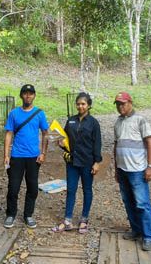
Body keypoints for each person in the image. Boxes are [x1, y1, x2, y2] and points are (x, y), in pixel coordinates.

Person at [51, 92, 102, 234]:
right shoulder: (71, 121)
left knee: (87, 190)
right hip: (72, 162)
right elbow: (65, 139)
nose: (80, 106)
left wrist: (97, 162)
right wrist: (60, 143)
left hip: (87, 162)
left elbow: (97, 143)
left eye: (83, 104)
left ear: (89, 105)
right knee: (71, 190)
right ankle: (67, 220)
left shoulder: (93, 123)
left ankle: (84, 219)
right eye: (78, 104)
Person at [113, 91, 151, 251]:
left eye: (123, 103)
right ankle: (136, 230)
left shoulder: (140, 120)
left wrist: (150, 166)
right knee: (128, 202)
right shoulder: (117, 122)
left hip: (137, 169)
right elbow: (116, 145)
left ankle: (148, 236)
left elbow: (150, 143)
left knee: (142, 203)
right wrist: (116, 168)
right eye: (118, 104)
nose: (120, 107)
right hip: (123, 169)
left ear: (130, 103)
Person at [3, 84, 49, 229]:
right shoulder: (14, 113)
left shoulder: (39, 113)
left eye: (30, 93)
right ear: (21, 95)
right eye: (25, 93)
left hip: (33, 157)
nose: (28, 96)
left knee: (33, 187)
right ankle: (11, 214)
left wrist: (43, 153)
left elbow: (45, 133)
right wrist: (6, 155)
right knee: (13, 187)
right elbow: (9, 134)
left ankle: (28, 215)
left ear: (34, 96)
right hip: (16, 156)